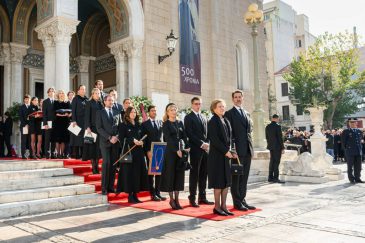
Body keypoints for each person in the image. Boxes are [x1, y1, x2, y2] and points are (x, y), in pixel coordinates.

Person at [225, 90, 256, 211]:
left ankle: (243, 199)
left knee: (245, 177)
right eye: (236, 97)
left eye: (240, 97)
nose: (238, 99)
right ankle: (237, 202)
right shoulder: (229, 113)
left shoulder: (247, 113)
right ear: (233, 99)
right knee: (236, 177)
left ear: (243, 98)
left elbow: (249, 131)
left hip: (248, 149)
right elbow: (229, 134)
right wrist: (233, 149)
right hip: (237, 151)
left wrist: (251, 148)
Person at [160, 103, 190, 210]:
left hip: (181, 153)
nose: (173, 111)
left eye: (174, 110)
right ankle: (171, 200)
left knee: (179, 176)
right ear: (167, 112)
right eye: (171, 110)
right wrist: (176, 150)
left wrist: (187, 146)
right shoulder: (165, 124)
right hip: (170, 153)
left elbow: (185, 136)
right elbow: (168, 139)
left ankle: (177, 199)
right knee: (170, 175)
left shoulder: (180, 122)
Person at [208, 99, 235, 216]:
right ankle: (217, 207)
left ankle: (224, 206)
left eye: (223, 106)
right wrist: (225, 151)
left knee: (226, 182)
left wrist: (232, 151)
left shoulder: (226, 120)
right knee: (219, 182)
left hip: (226, 156)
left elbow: (230, 139)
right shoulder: (212, 121)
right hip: (217, 156)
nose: (222, 108)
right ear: (214, 108)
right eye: (220, 106)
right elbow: (214, 140)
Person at [184, 97, 213, 207]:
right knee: (194, 174)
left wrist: (207, 144)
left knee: (204, 174)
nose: (198, 106)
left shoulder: (203, 117)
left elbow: (207, 133)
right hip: (196, 149)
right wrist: (201, 143)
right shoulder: (188, 117)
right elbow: (189, 134)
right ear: (192, 105)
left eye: (199, 104)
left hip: (205, 150)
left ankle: (202, 197)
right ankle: (192, 197)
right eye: (196, 104)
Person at [117, 107, 149, 203]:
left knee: (137, 174)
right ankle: (130, 195)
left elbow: (144, 137)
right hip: (129, 153)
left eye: (135, 112)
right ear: (127, 113)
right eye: (131, 112)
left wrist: (142, 142)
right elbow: (122, 139)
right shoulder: (123, 125)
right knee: (129, 174)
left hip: (139, 153)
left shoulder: (139, 125)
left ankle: (135, 194)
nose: (133, 114)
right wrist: (133, 141)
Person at [96, 95, 121, 195]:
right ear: (105, 102)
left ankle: (111, 186)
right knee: (106, 163)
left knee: (113, 165)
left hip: (115, 142)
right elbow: (99, 128)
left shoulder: (117, 113)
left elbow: (120, 127)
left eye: (113, 101)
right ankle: (104, 187)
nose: (111, 102)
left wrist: (117, 137)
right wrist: (109, 137)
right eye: (109, 100)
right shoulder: (100, 113)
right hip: (105, 142)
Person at [141, 105, 166, 201]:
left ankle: (158, 192)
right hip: (150, 151)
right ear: (148, 112)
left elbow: (162, 137)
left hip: (160, 150)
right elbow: (144, 139)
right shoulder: (145, 124)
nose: (154, 112)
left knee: (159, 173)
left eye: (155, 111)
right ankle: (152, 193)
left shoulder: (160, 122)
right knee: (151, 173)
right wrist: (147, 151)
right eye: (152, 111)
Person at [83, 88, 103, 174]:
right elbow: (87, 116)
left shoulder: (100, 104)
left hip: (99, 129)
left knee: (98, 148)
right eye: (96, 93)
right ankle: (93, 167)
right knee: (91, 148)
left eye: (99, 93)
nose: (98, 95)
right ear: (92, 94)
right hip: (91, 128)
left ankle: (97, 166)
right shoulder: (88, 102)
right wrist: (87, 127)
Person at [341, 118, 363, 184]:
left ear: (356, 123)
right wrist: (346, 150)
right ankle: (351, 179)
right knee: (350, 166)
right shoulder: (346, 131)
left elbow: (359, 140)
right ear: (349, 123)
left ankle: (357, 178)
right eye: (351, 122)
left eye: (354, 122)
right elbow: (343, 142)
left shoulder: (359, 131)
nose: (353, 123)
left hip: (358, 151)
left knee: (358, 166)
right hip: (350, 151)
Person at [265, 114, 285, 183]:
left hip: (271, 147)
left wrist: (270, 144)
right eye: (278, 119)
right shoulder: (278, 126)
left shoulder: (267, 126)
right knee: (276, 162)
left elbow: (267, 137)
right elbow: (280, 138)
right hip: (277, 147)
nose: (278, 120)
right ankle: (276, 178)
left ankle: (270, 178)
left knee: (272, 162)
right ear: (276, 119)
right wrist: (282, 147)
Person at [53, 90, 72, 158]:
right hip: (58, 122)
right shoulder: (55, 102)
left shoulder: (67, 102)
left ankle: (62, 154)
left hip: (65, 122)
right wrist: (62, 115)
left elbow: (70, 112)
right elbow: (54, 112)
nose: (61, 94)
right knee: (58, 139)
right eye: (60, 93)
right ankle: (58, 154)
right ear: (58, 95)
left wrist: (68, 114)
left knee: (64, 139)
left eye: (62, 93)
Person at [71, 85, 88, 159]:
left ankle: (83, 155)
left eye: (84, 89)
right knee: (77, 139)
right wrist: (74, 120)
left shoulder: (87, 99)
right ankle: (76, 155)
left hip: (85, 121)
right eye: (81, 89)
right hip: (77, 121)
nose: (83, 90)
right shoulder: (75, 99)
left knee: (84, 138)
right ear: (78, 90)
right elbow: (73, 110)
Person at [42, 87, 56, 159]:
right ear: (48, 93)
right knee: (47, 139)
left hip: (55, 123)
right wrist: (45, 124)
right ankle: (47, 154)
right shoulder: (45, 102)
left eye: (53, 91)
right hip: (48, 123)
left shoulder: (56, 102)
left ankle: (53, 154)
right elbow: (44, 114)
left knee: (53, 139)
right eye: (50, 91)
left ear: (54, 93)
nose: (51, 92)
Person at [19, 94, 31, 159]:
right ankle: (23, 155)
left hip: (31, 126)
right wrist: (26, 124)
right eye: (26, 99)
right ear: (24, 100)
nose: (27, 100)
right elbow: (21, 117)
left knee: (30, 141)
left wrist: (30, 124)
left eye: (28, 99)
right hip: (24, 126)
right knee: (24, 141)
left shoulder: (31, 107)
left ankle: (29, 154)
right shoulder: (21, 107)